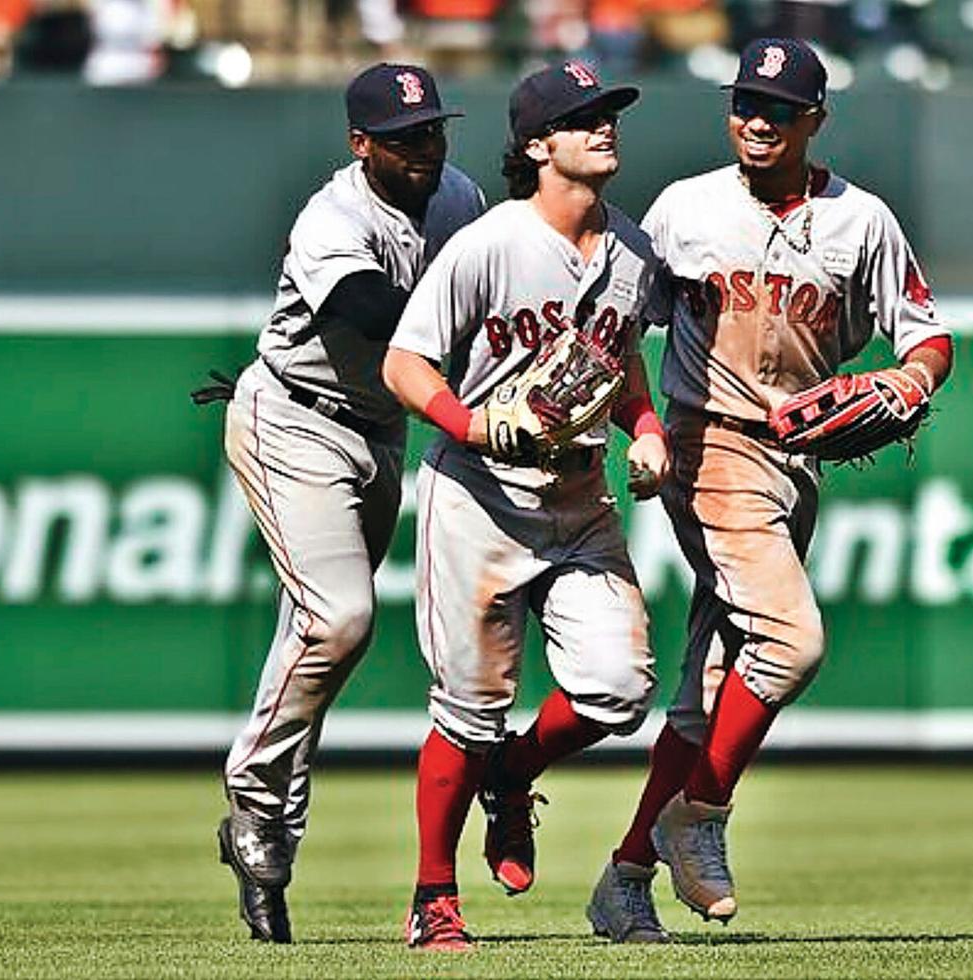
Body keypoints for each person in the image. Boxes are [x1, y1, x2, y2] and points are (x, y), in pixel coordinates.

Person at [585, 37, 954, 943]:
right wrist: (636, 428)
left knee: (711, 688)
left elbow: (927, 335)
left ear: (815, 120)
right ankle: (697, 815)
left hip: (799, 461)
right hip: (708, 442)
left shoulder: (860, 220)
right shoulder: (686, 209)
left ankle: (627, 876)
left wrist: (911, 381)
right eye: (746, 102)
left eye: (780, 109)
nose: (757, 119)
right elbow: (619, 325)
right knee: (791, 642)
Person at [381, 59, 670, 952]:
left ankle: (512, 774)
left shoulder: (631, 250)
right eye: (582, 118)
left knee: (619, 691)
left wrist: (646, 426)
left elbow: (614, 363)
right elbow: (404, 364)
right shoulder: (489, 244)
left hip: (577, 496)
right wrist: (470, 425)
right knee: (466, 708)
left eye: (609, 113)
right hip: (476, 500)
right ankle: (433, 897)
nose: (604, 127)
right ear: (537, 145)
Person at [207, 62, 485, 945]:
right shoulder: (333, 216)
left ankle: (266, 836)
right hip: (295, 418)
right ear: (361, 144)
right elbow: (367, 309)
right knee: (339, 619)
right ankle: (254, 794)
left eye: (434, 131)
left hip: (380, 433)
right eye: (405, 140)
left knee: (319, 631)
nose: (425, 151)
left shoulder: (461, 198)